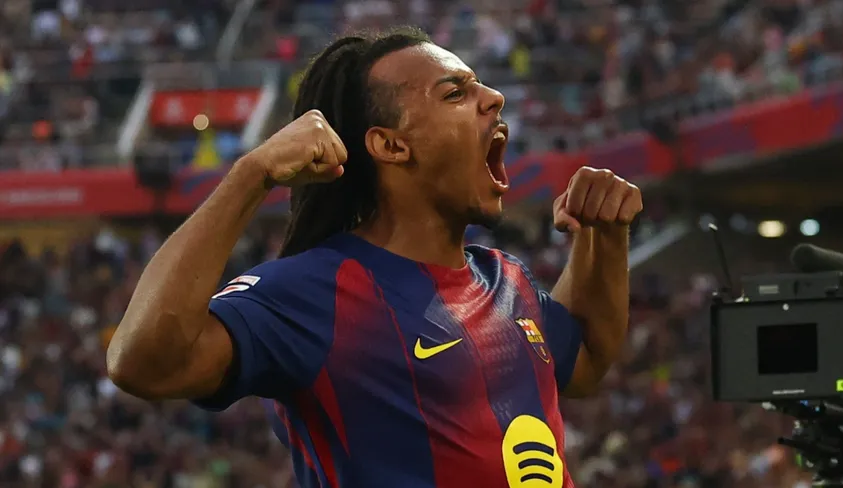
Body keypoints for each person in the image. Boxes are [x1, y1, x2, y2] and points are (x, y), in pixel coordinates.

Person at [107, 27, 642, 488]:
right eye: (455, 93)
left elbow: (586, 361)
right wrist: (251, 175)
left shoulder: (506, 278)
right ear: (390, 145)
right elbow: (143, 363)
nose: (494, 98)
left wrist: (604, 235)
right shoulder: (317, 291)